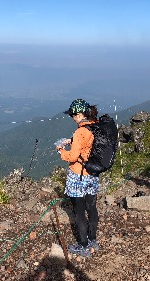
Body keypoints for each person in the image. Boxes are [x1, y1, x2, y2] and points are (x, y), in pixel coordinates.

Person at [57, 99, 100, 257]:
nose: (72, 118)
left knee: (79, 211)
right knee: (92, 207)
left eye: (73, 115)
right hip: (93, 174)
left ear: (80, 114)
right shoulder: (95, 125)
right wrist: (73, 141)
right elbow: (88, 145)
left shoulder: (80, 131)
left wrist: (61, 151)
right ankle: (93, 240)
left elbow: (73, 156)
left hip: (78, 175)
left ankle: (83, 246)